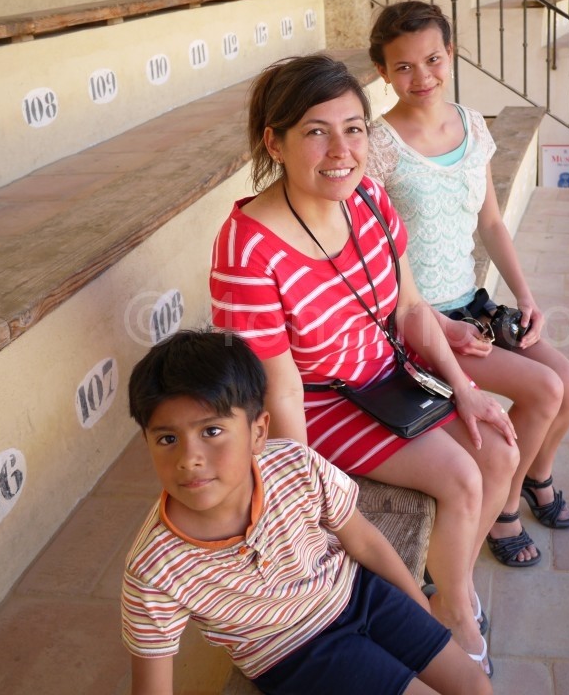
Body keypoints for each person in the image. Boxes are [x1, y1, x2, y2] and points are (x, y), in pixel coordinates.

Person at [210, 54, 519, 675]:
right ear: (275, 141)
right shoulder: (247, 247)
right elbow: (282, 390)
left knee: (501, 452)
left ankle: (444, 579)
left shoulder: (370, 197)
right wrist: (302, 493)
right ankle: (455, 614)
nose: (340, 150)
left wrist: (463, 390)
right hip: (322, 402)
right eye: (316, 131)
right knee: (462, 478)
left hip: (389, 377)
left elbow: (408, 308)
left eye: (353, 129)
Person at [121, 329, 492, 695]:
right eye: (167, 439)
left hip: (359, 592)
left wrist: (419, 608)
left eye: (212, 431)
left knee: (475, 684)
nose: (189, 460)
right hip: (293, 652)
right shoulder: (154, 568)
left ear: (258, 431)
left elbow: (365, 543)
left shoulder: (295, 465)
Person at [365, 1, 569, 569]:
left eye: (432, 59)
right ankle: (506, 505)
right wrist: (434, 324)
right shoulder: (378, 146)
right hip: (417, 321)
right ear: (384, 72)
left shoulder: (471, 123)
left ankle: (537, 476)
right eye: (404, 66)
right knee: (543, 391)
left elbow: (490, 223)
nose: (422, 77)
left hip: (474, 304)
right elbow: (373, 254)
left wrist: (527, 298)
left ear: (451, 54)